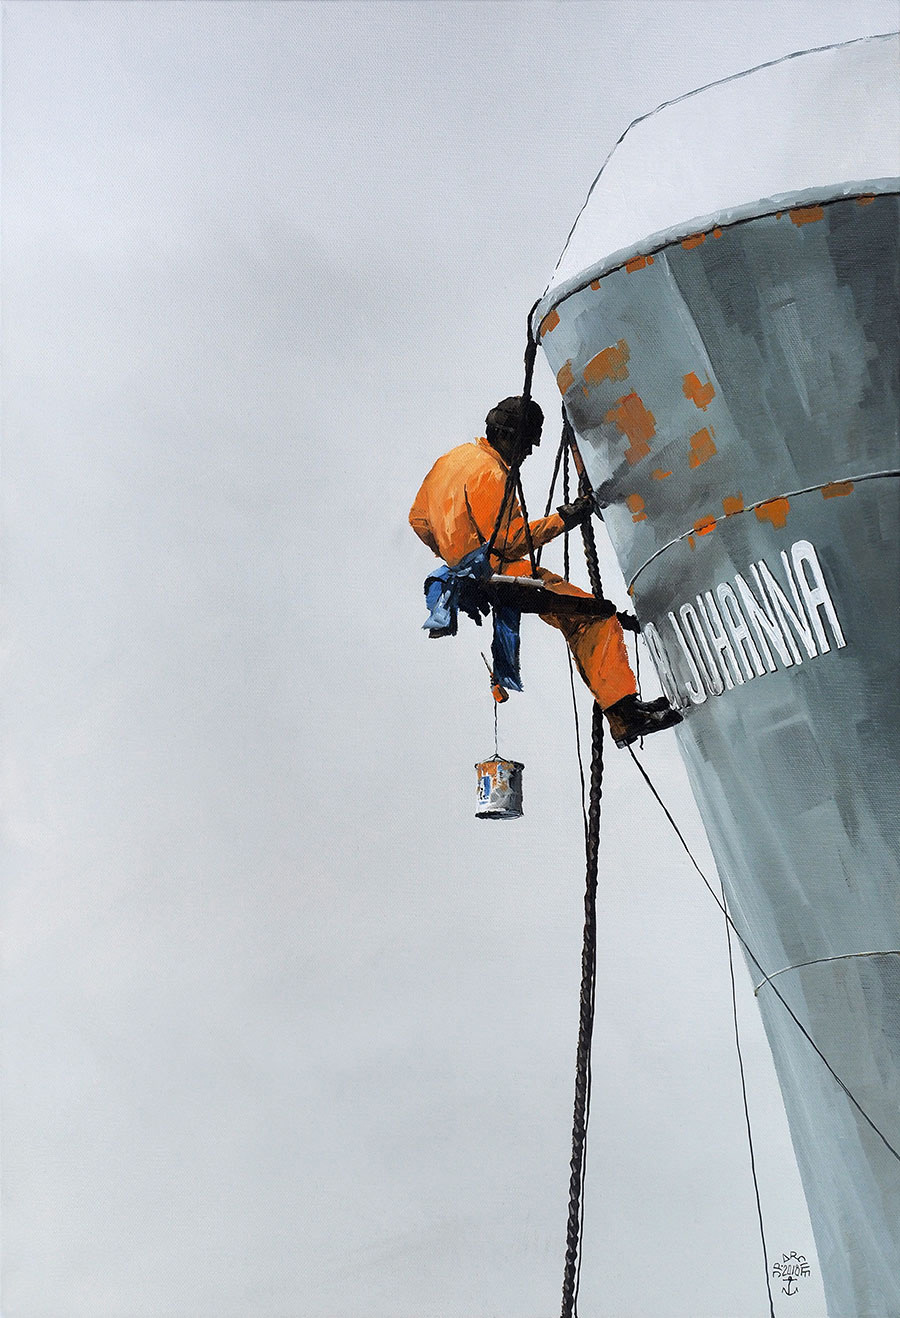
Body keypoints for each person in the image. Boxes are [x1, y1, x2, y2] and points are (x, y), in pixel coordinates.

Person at [409, 395, 682, 747]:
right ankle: (625, 716)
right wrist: (565, 519)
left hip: (477, 574)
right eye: (527, 444)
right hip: (505, 575)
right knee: (594, 617)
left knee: (576, 607)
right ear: (511, 436)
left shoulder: (452, 460)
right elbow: (511, 542)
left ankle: (625, 707)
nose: (528, 454)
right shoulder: (492, 475)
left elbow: (418, 521)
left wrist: (455, 556)